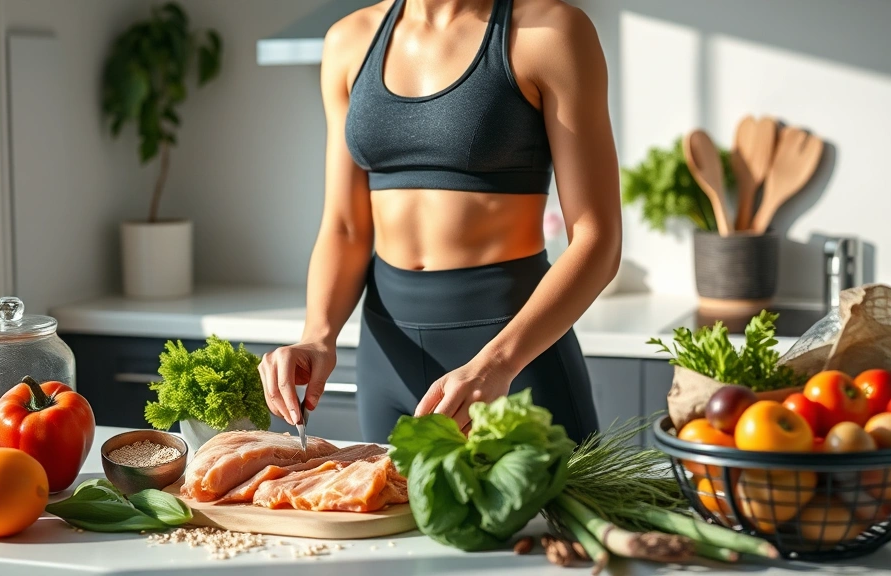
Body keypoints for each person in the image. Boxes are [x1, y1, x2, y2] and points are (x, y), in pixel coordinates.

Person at [258, 0, 621, 443]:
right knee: (392, 512)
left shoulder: (549, 32)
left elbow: (597, 239)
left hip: (513, 355)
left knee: (553, 517)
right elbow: (345, 227)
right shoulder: (349, 40)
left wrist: (498, 364)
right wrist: (317, 335)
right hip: (387, 354)